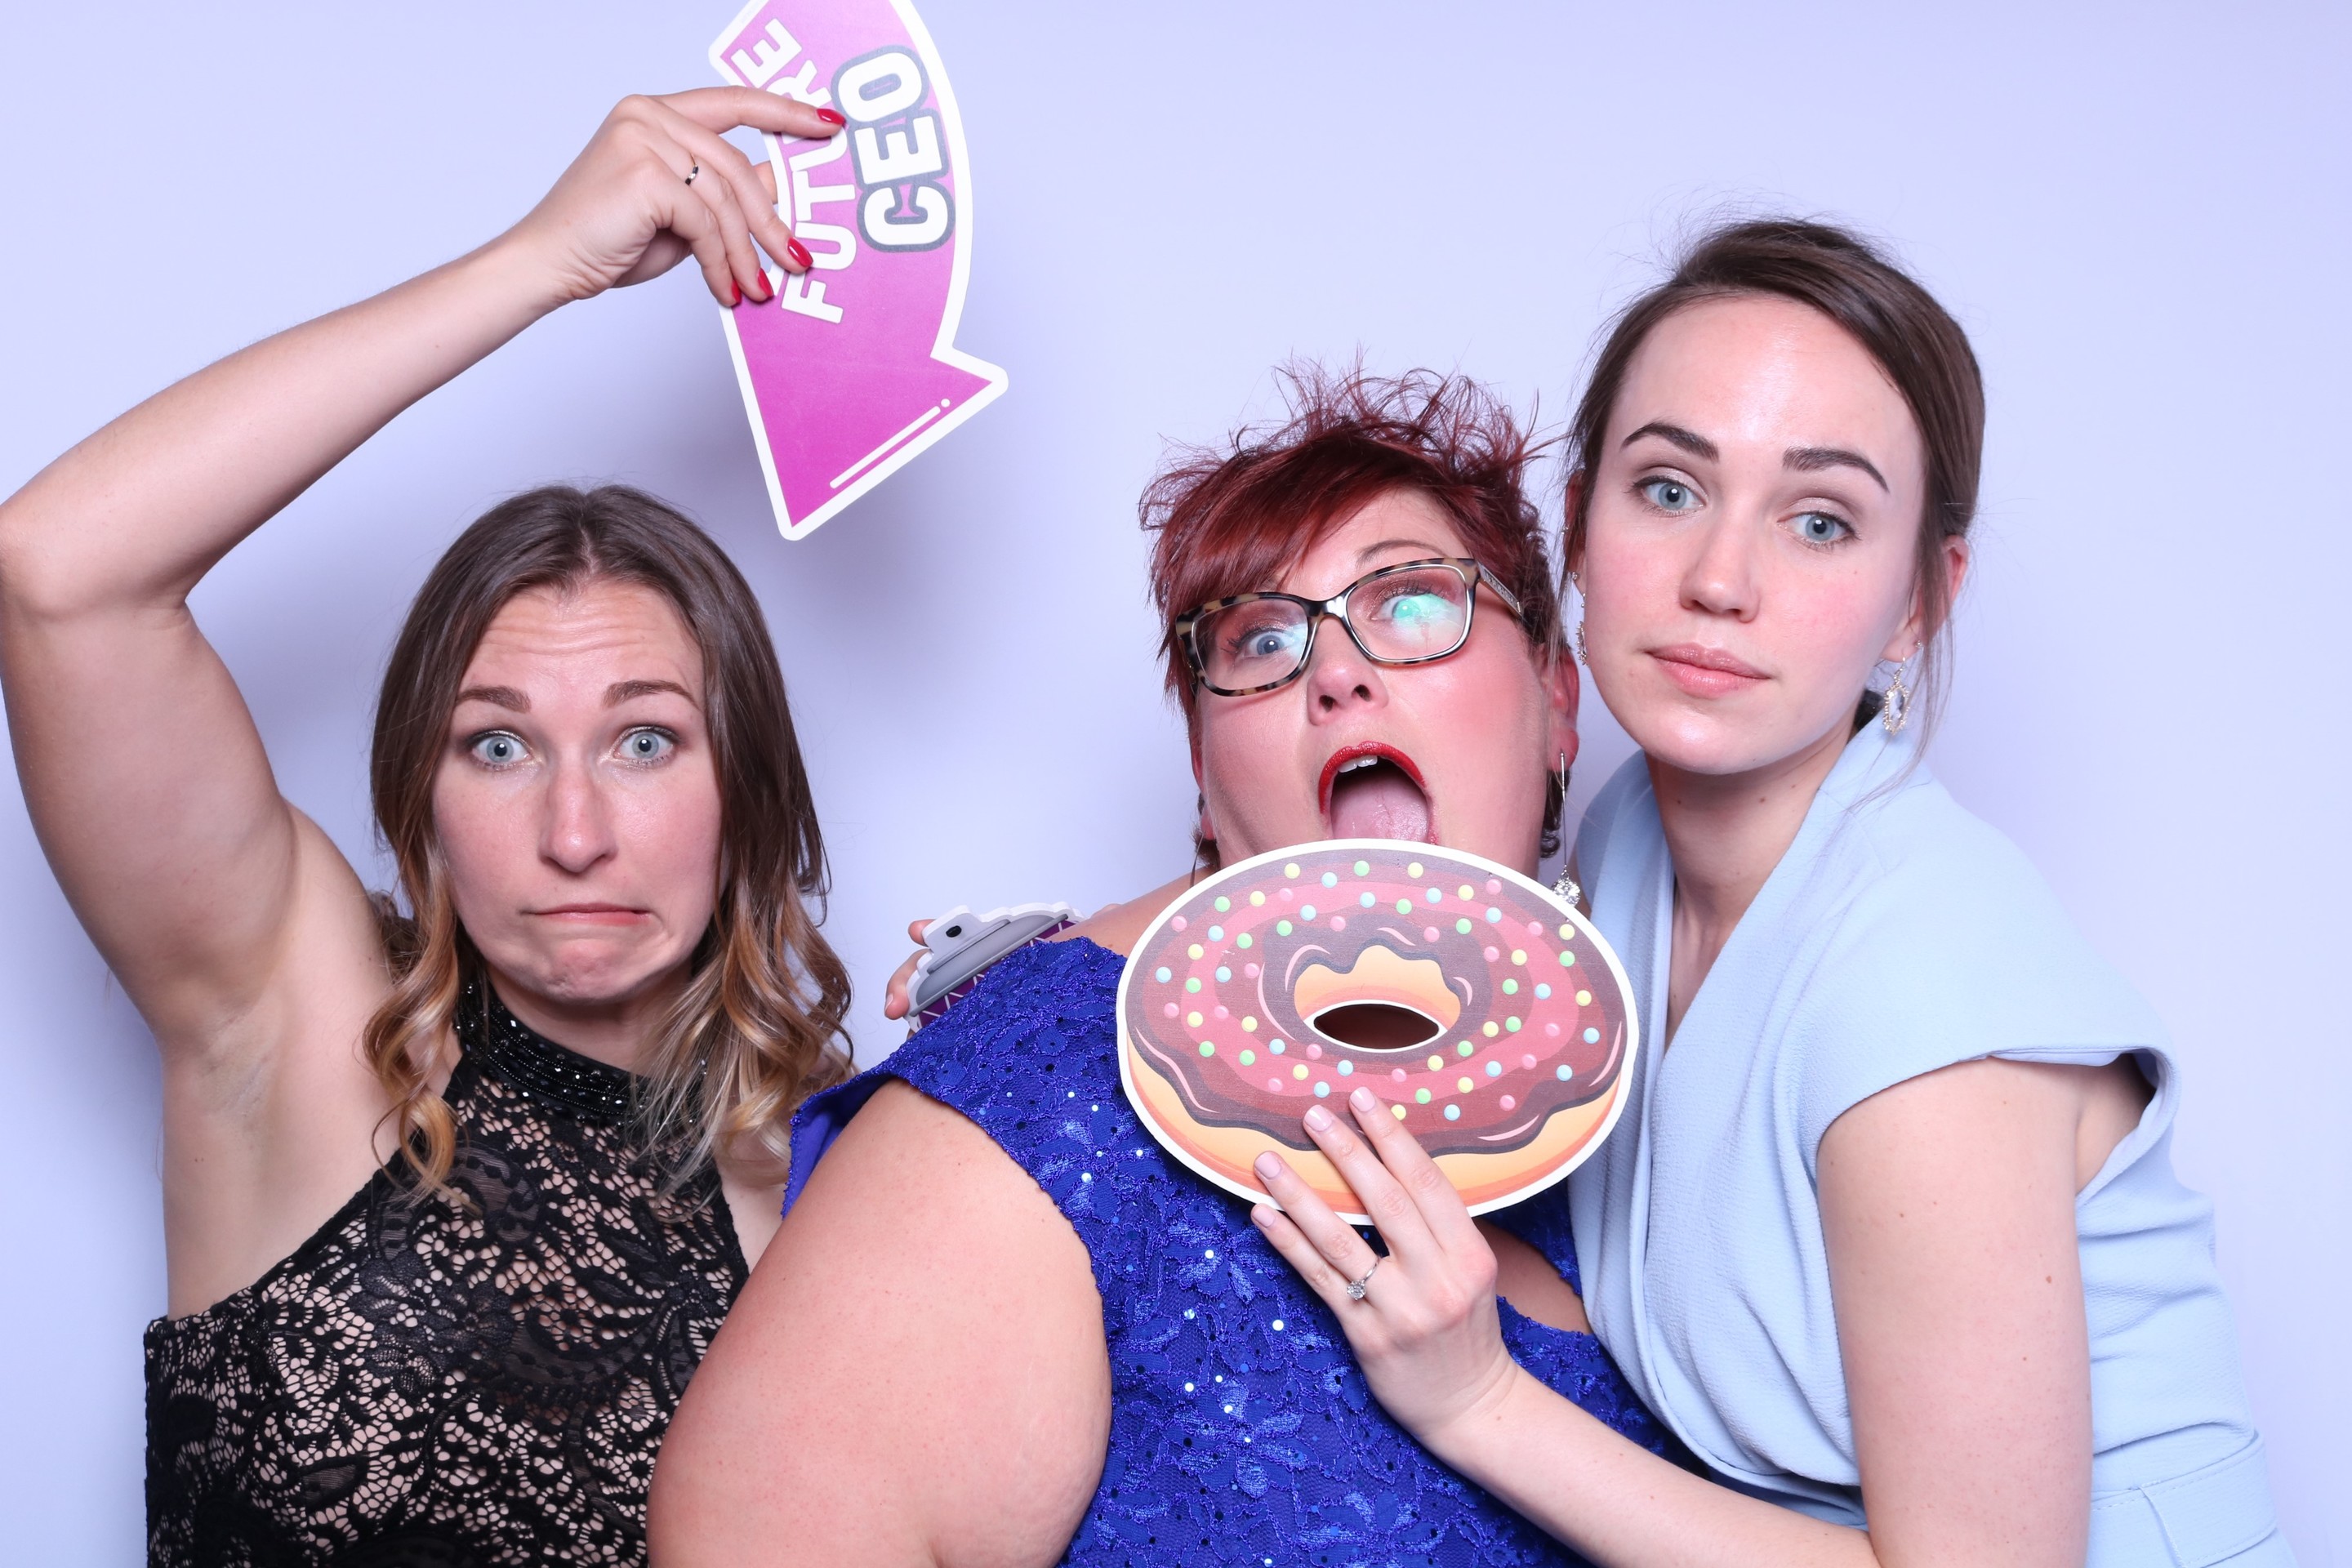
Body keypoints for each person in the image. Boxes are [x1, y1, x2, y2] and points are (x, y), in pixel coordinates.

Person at [1249, 221, 2287, 1565]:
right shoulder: (1628, 841)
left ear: (1918, 602)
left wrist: (1481, 1404)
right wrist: (1079, 969)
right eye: (1669, 489)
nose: (1719, 581)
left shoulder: (1915, 997)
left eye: (1819, 521)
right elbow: (1391, 942)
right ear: (1581, 526)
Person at [0, 87, 854, 1564]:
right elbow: (60, 571)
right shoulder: (301, 1025)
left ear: (751, 796)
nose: (575, 830)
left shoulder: (839, 1202)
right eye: (498, 745)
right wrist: (541, 262)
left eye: (646, 740)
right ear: (422, 807)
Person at [650, 371, 1672, 1566]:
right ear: (1203, 772)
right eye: (1263, 640)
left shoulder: (1637, 1078)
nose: (1337, 672)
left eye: (1410, 602)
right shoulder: (1050, 1092)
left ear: (1559, 701)